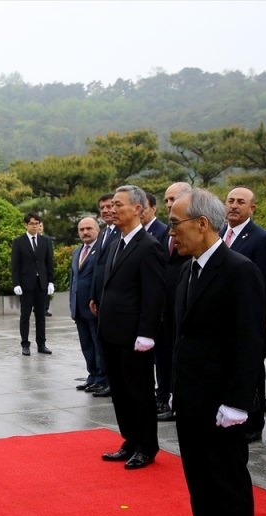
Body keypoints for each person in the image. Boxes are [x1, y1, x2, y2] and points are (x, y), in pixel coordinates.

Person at [166, 187, 264, 516]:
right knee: (200, 482)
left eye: (175, 224)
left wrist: (239, 403)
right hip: (191, 399)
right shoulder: (190, 269)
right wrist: (174, 389)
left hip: (223, 404)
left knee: (227, 484)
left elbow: (248, 342)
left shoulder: (239, 270)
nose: (172, 235)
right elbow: (184, 336)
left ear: (202, 224)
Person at [95, 185, 165, 469]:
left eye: (119, 204)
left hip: (134, 335)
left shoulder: (149, 246)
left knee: (139, 391)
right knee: (121, 391)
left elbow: (153, 294)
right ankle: (130, 439)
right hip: (112, 331)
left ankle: (146, 445)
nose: (112, 209)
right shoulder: (115, 243)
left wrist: (147, 333)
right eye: (111, 204)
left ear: (137, 209)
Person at [220, 187, 266, 442]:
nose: (234, 205)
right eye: (230, 201)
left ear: (252, 208)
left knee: (252, 370)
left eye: (240, 202)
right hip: (222, 316)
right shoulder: (221, 233)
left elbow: (264, 282)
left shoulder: (261, 239)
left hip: (248, 317)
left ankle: (254, 422)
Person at [154, 182, 193, 421]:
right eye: (167, 200)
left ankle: (178, 400)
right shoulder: (163, 233)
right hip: (164, 308)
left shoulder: (193, 232)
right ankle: (165, 397)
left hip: (186, 304)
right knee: (164, 355)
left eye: (174, 199)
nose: (169, 204)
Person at [69, 217, 107, 393]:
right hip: (78, 307)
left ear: (97, 230)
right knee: (86, 345)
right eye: (82, 229)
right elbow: (74, 280)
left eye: (89, 228)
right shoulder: (77, 252)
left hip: (93, 307)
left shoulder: (101, 250)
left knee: (98, 344)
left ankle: (102, 378)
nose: (85, 232)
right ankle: (92, 375)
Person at [11, 213, 54, 356]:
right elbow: (15, 265)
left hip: (41, 283)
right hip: (26, 284)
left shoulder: (45, 241)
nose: (34, 226)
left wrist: (51, 282)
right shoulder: (18, 242)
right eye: (32, 223)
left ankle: (41, 344)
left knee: (41, 315)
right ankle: (25, 344)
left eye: (37, 223)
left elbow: (49, 263)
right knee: (25, 315)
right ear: (26, 225)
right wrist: (16, 283)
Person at [87, 193, 117, 397]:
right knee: (101, 342)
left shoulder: (120, 234)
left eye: (109, 206)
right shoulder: (104, 234)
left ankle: (111, 381)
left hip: (113, 299)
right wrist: (93, 296)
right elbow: (96, 269)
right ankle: (103, 378)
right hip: (99, 298)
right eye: (102, 207)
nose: (106, 210)